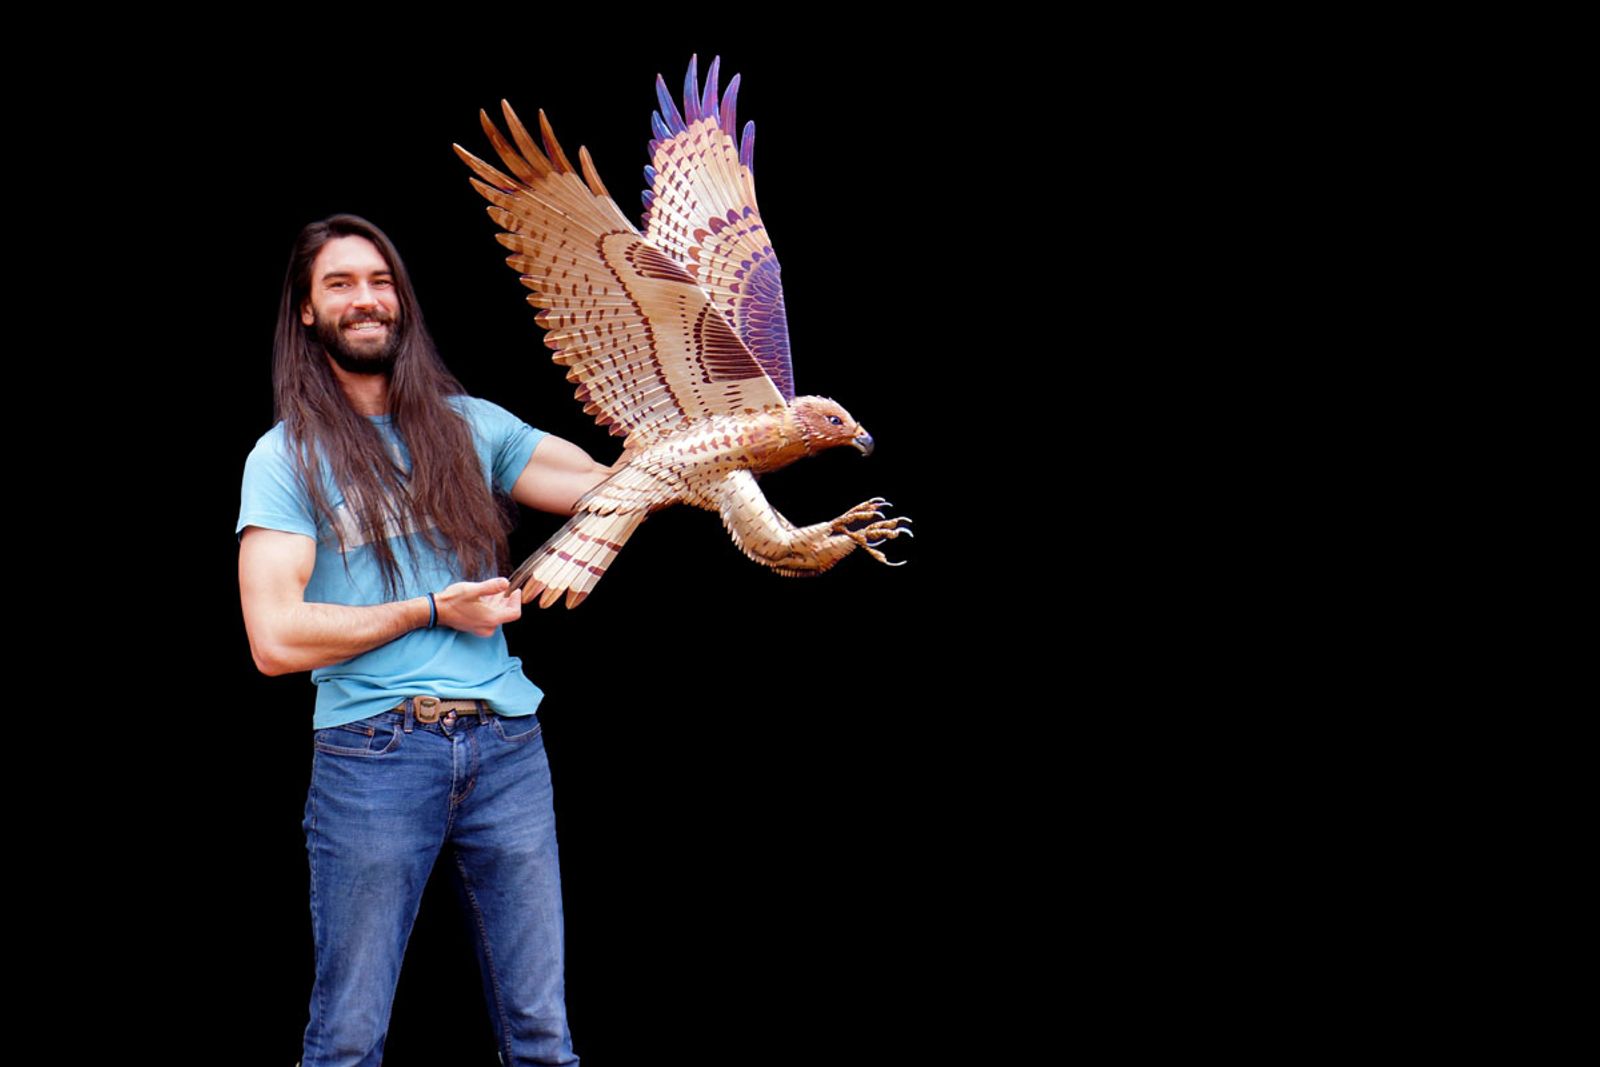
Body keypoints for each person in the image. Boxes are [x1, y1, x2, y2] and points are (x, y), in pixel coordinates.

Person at [237, 214, 608, 1066]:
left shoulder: (472, 427)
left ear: (400, 299)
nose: (366, 299)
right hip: (374, 752)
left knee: (543, 1036)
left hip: (508, 748)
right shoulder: (285, 458)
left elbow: (606, 487)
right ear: (306, 310)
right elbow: (273, 638)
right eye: (340, 284)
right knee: (348, 1037)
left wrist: (720, 442)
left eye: (380, 281)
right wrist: (433, 609)